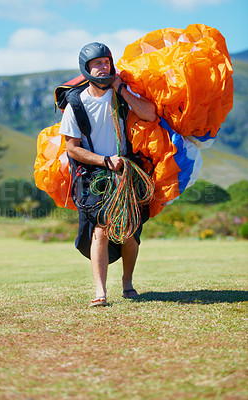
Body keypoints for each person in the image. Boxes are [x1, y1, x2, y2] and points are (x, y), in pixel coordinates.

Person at [59, 42, 156, 307]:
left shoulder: (121, 93)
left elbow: (149, 115)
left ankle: (127, 283)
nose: (103, 67)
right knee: (100, 231)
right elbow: (72, 148)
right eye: (97, 63)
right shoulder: (76, 104)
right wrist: (104, 160)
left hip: (126, 171)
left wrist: (121, 89)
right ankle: (100, 292)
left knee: (129, 231)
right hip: (94, 175)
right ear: (87, 69)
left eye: (106, 62)